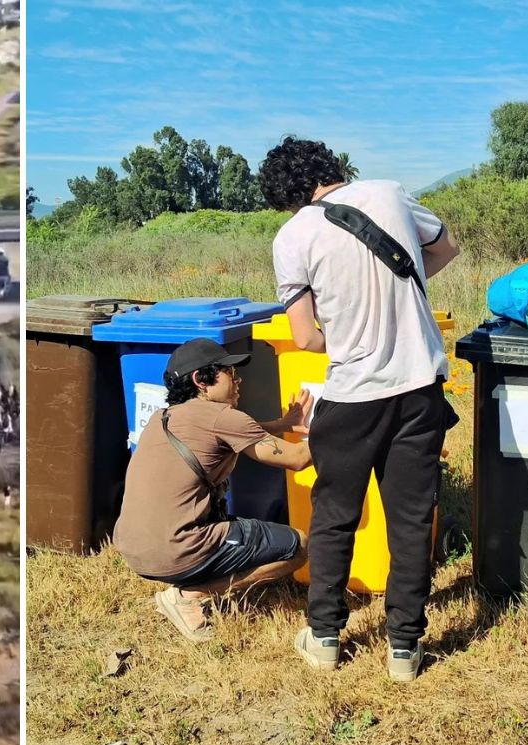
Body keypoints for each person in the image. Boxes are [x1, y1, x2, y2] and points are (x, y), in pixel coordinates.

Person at [258, 136, 460, 682]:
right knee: (412, 519)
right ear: (331, 168)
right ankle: (404, 649)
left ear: (287, 194)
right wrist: (400, 301)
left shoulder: (292, 235)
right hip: (419, 390)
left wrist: (345, 330)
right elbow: (444, 250)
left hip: (351, 399)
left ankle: (324, 637)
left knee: (334, 517)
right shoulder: (390, 193)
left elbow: (304, 337)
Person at [113, 338, 313, 644]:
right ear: (201, 380)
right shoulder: (223, 417)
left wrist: (285, 423)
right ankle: (190, 595)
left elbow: (234, 430)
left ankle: (191, 580)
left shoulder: (163, 417)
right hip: (175, 550)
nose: (238, 379)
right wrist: (339, 426)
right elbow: (298, 459)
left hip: (133, 549)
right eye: (229, 372)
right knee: (298, 546)